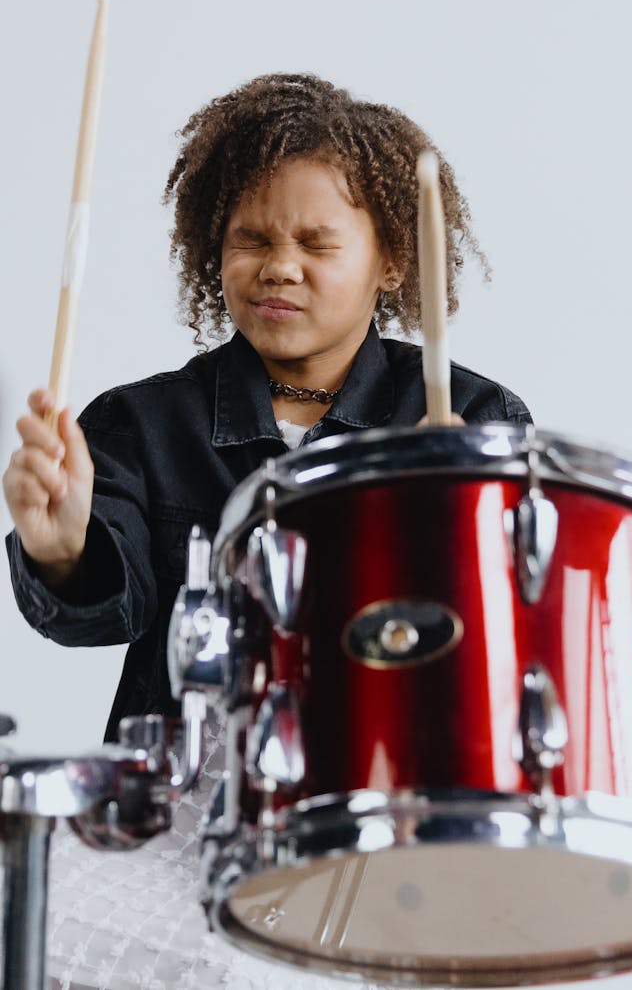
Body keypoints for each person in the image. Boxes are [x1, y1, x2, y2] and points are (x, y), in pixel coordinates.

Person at [2, 72, 531, 988]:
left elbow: (495, 650)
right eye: (251, 239)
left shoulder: (473, 417)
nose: (278, 265)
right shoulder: (140, 421)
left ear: (392, 259)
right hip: (175, 821)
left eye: (317, 242)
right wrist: (59, 543)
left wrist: (452, 517)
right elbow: (102, 611)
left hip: (389, 822)